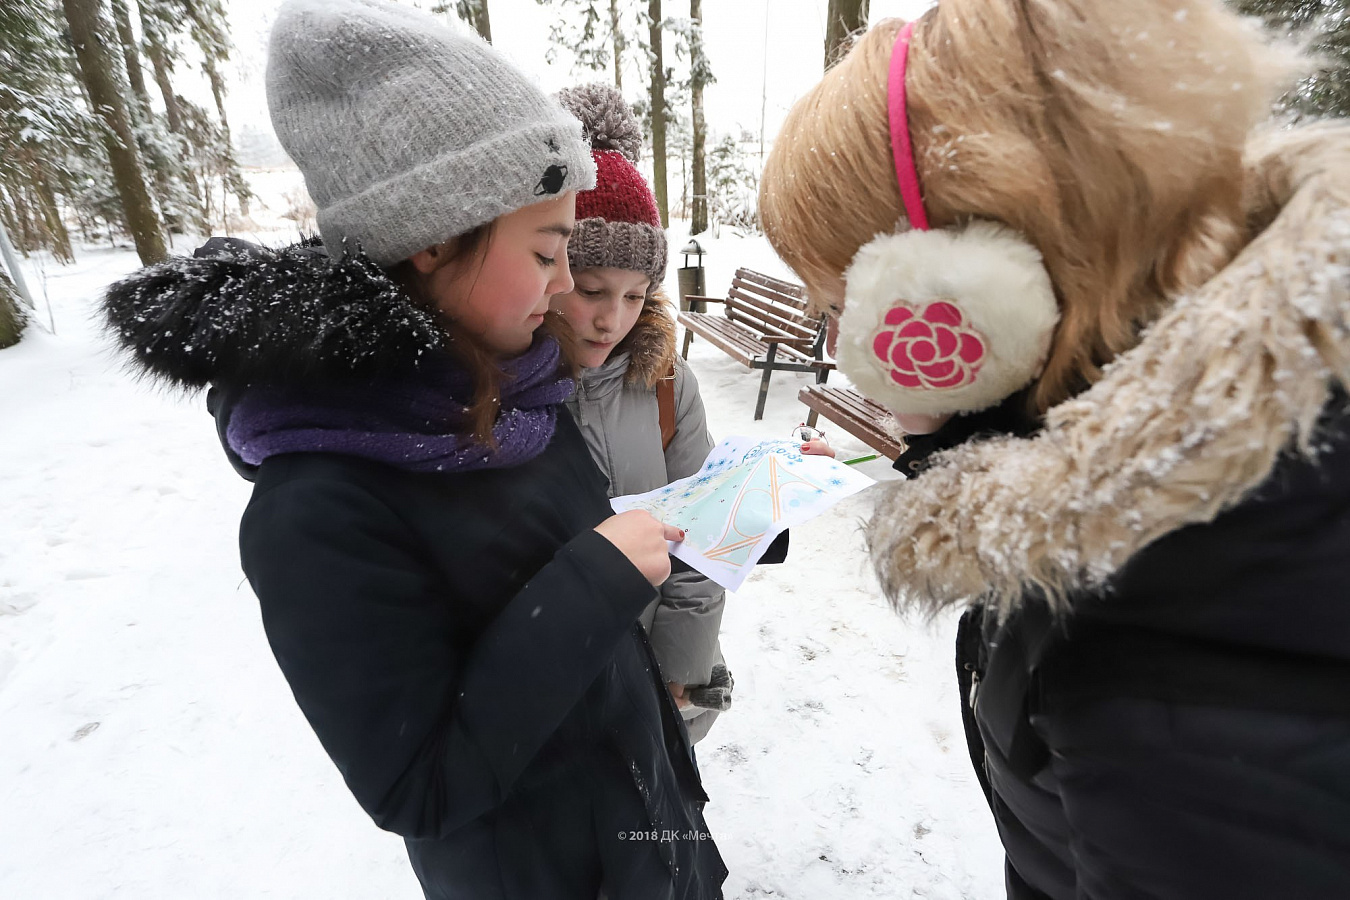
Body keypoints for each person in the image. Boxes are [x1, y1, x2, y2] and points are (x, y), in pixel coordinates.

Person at [100, 2, 726, 898]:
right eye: (551, 252)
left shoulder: (524, 396)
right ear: (435, 239)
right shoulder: (317, 508)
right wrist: (596, 579)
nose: (561, 293)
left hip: (653, 834)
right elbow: (422, 783)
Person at [759, 1, 1350, 897]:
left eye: (844, 308)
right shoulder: (1178, 515)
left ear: (974, 289)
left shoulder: (1162, 661)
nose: (843, 350)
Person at [549, 84, 731, 742]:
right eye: (592, 290)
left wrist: (679, 665)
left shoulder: (664, 383)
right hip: (548, 692)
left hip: (657, 678)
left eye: (634, 295)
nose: (612, 318)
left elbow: (705, 534)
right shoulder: (508, 394)